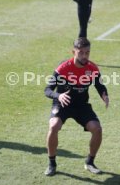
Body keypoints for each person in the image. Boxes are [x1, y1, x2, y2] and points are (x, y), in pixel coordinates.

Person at [44, 37, 109, 176]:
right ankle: (52, 163)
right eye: (81, 53)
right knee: (54, 126)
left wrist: (105, 95)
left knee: (97, 129)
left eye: (87, 52)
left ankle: (90, 162)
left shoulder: (92, 68)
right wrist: (58, 96)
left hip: (81, 105)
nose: (85, 56)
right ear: (74, 52)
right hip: (63, 103)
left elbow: (99, 85)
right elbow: (48, 90)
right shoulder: (63, 68)